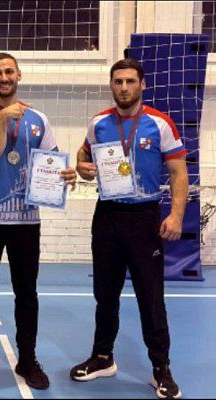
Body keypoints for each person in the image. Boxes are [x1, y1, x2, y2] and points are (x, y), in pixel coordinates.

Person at [71, 58, 187, 400]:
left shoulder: (160, 123)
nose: (124, 87)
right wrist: (81, 166)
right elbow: (83, 154)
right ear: (111, 85)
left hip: (144, 217)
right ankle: (102, 357)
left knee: (150, 297)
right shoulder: (98, 123)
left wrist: (176, 215)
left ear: (142, 84)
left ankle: (161, 368)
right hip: (108, 215)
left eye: (130, 81)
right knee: (105, 293)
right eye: (118, 81)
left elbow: (178, 172)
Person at [0, 52, 76, 389]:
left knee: (27, 293)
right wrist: (2, 119)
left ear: (19, 75)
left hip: (26, 222)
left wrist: (65, 175)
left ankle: (28, 358)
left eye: (8, 71)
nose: (3, 77)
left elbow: (50, 162)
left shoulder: (39, 119)